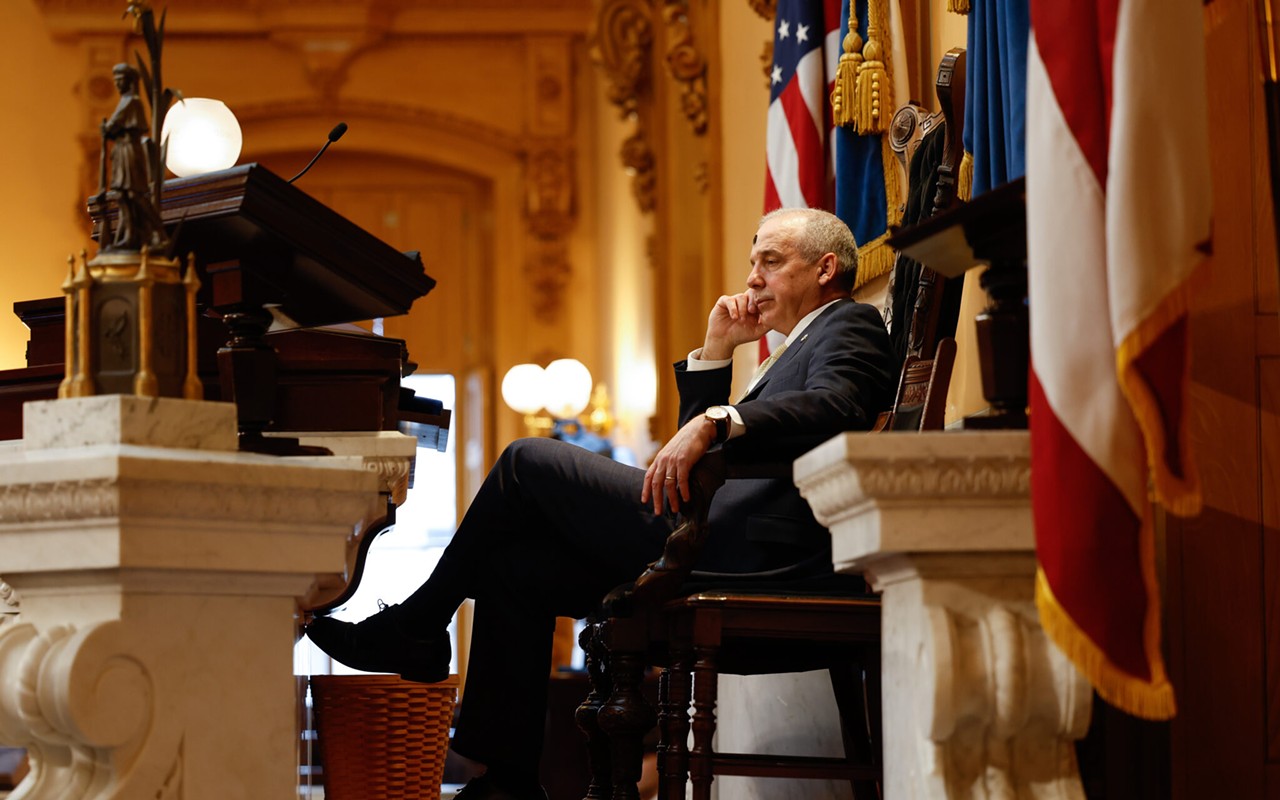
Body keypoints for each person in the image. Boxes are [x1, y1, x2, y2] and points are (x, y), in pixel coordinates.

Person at [306, 207, 898, 800]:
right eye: (751, 263)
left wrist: (722, 418)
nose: (752, 279)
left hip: (757, 547)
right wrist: (716, 352)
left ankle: (417, 624)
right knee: (515, 569)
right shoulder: (788, 348)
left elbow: (837, 405)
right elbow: (692, 458)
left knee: (527, 460)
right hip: (712, 527)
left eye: (771, 262)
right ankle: (506, 782)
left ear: (825, 268)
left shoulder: (851, 323)